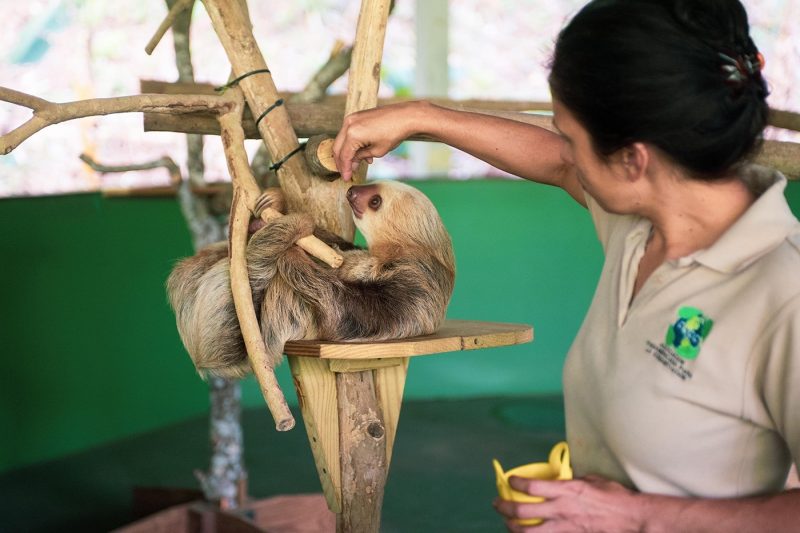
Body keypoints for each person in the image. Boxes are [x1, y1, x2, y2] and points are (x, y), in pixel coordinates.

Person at [332, 0, 800, 531]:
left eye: (573, 139)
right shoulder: (642, 224)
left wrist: (633, 515)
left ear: (633, 160)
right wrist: (423, 117)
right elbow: (554, 160)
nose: (565, 152)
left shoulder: (783, 293)